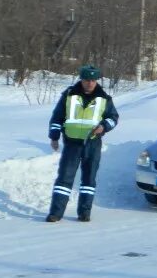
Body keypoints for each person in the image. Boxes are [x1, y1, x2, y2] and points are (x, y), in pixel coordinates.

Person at [46, 64, 119, 222]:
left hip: (92, 144)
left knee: (88, 180)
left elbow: (114, 118)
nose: (90, 83)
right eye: (87, 80)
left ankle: (84, 213)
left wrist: (104, 126)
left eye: (93, 80)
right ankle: (55, 213)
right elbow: (57, 116)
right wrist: (54, 136)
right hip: (72, 144)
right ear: (81, 79)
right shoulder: (69, 95)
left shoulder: (104, 99)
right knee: (64, 179)